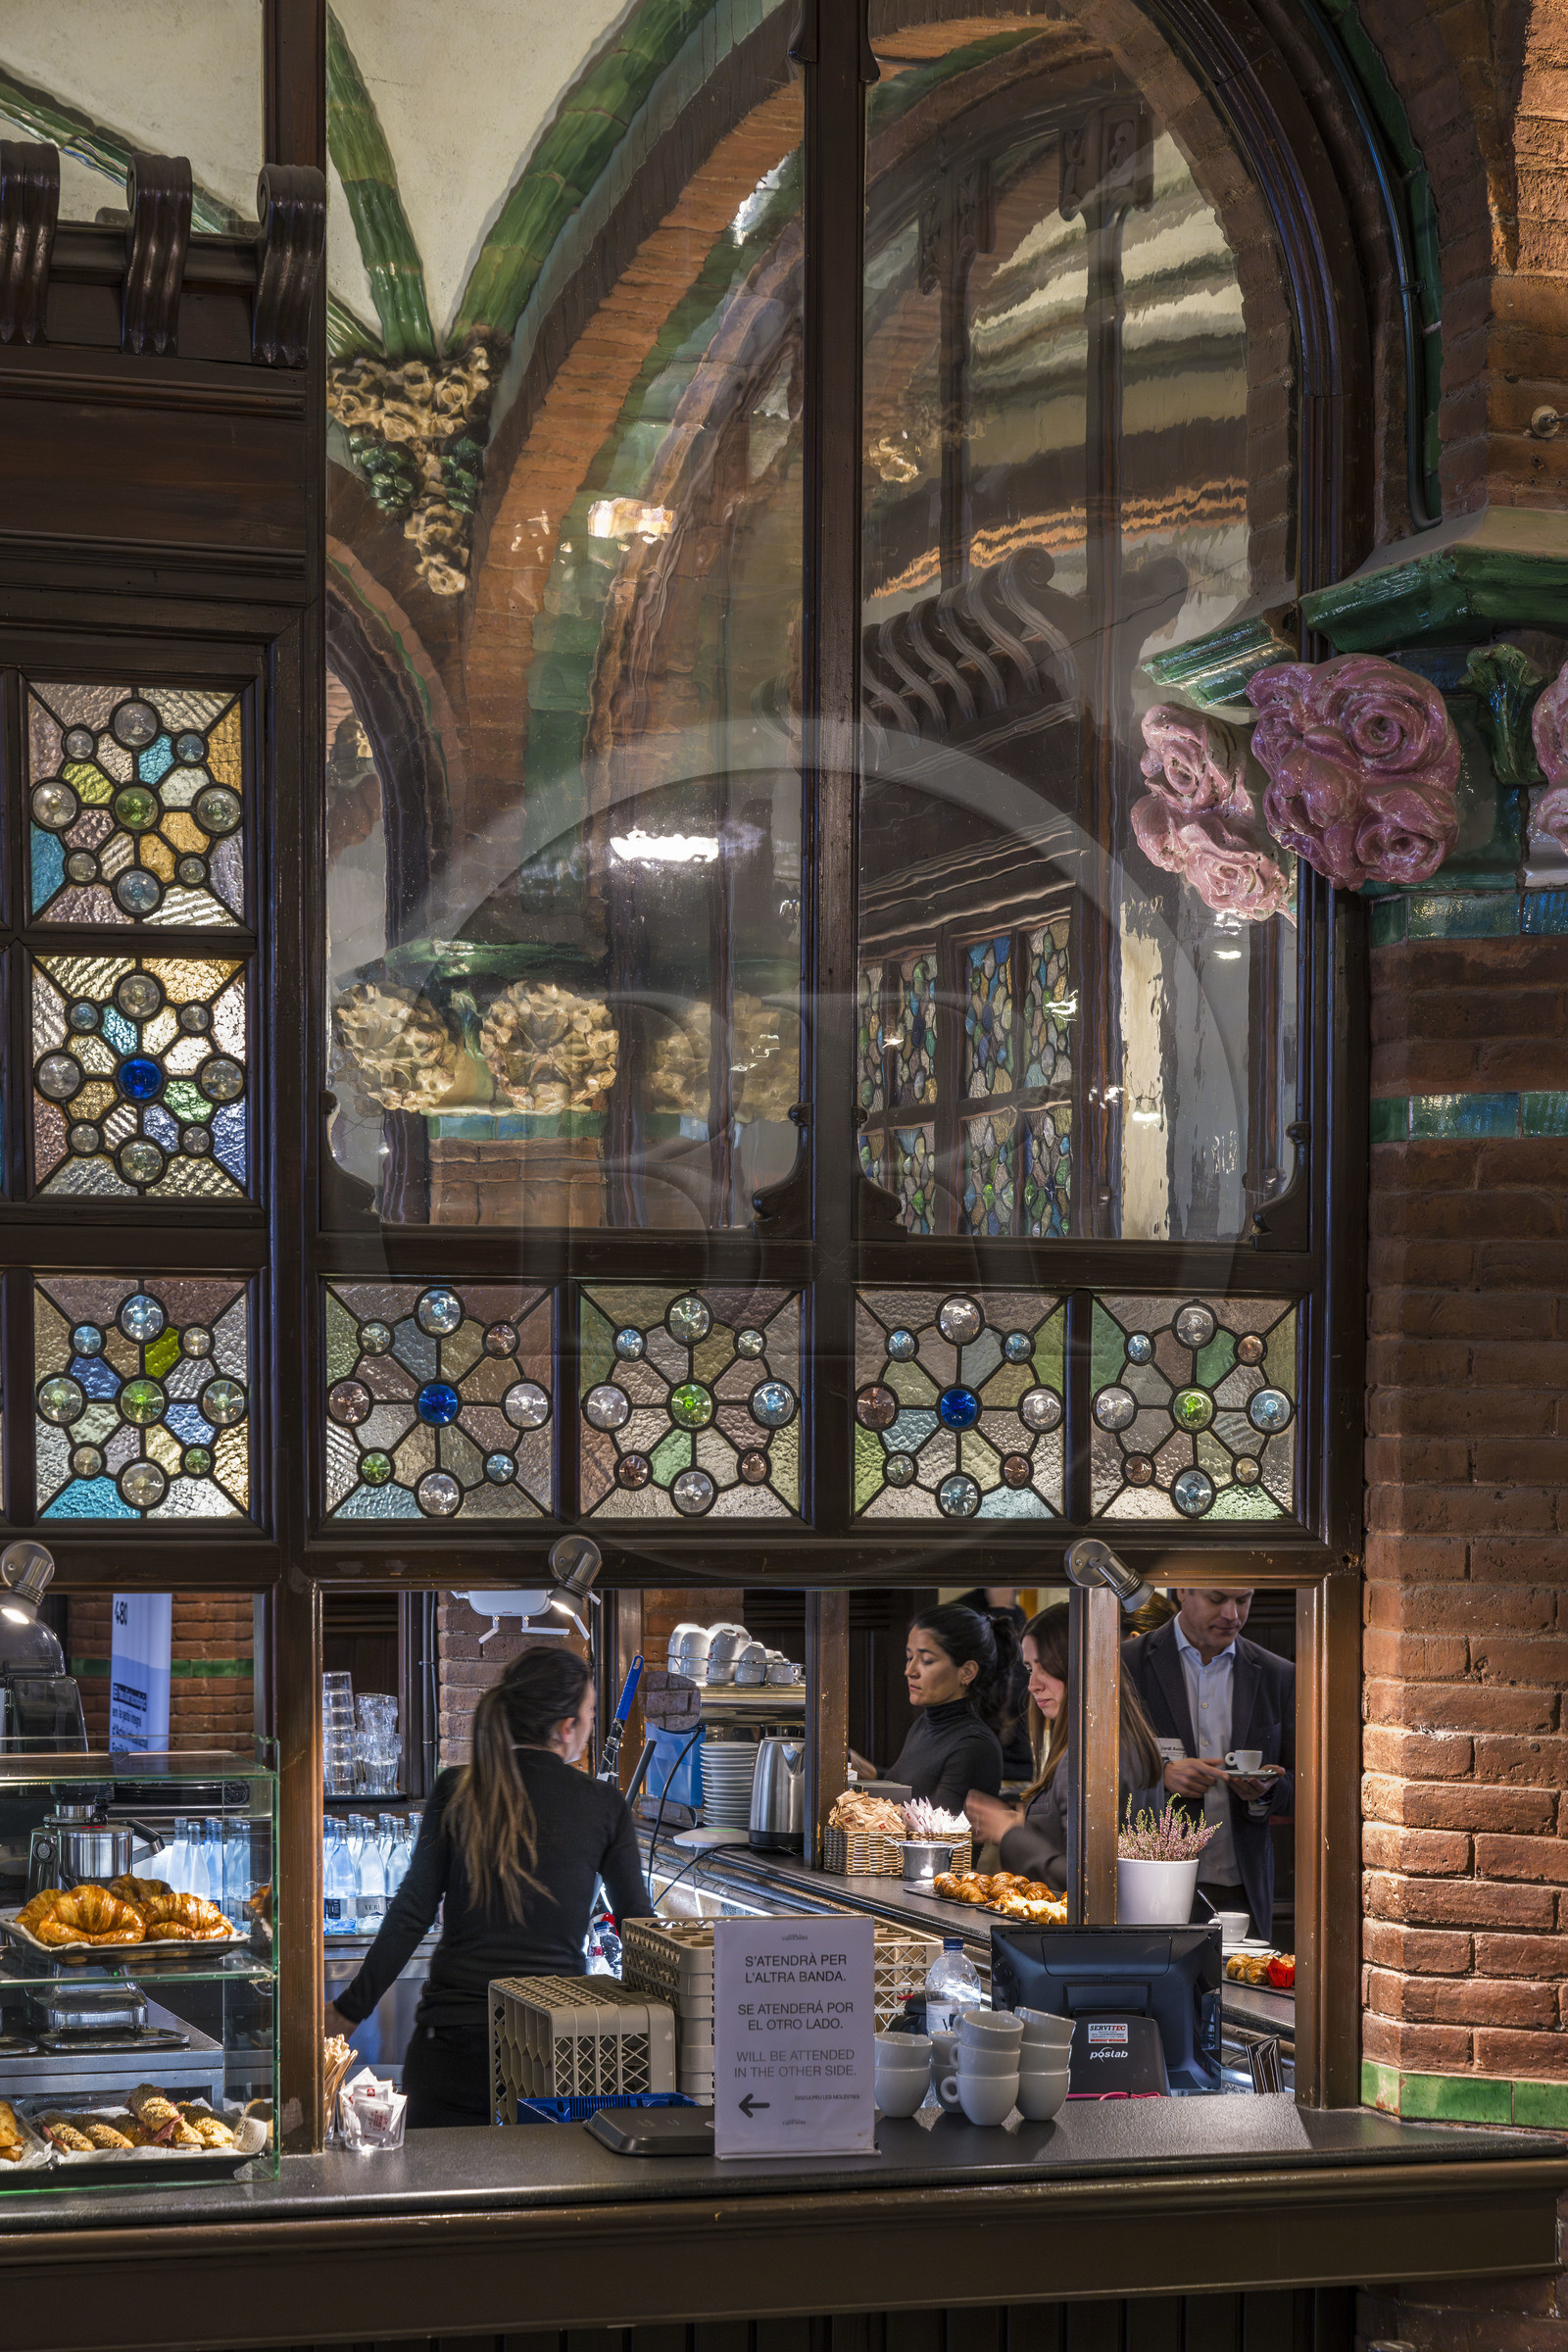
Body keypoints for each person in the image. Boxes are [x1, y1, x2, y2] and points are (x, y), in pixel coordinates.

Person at [325, 1646, 653, 2128]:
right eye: (588, 1715)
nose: (588, 1726)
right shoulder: (604, 1805)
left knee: (437, 2201)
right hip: (555, 2059)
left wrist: (348, 2012)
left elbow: (412, 1911)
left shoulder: (456, 1789)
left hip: (449, 2051)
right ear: (565, 1728)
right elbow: (641, 1932)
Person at [1122, 1587, 1295, 1942]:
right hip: (1149, 1883)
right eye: (1217, 1599)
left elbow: (1305, 1783)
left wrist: (1266, 1790)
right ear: (1183, 1590)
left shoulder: (1278, 1675)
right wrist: (1160, 1777)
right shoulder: (1126, 1663)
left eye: (1244, 1600)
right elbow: (1088, 1770)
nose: (1232, 1614)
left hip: (1240, 1887)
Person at [963, 1603, 1166, 1889]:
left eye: (1045, 1668)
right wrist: (1022, 1824)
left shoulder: (1092, 1754)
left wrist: (1009, 1832)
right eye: (1029, 1668)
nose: (1033, 1684)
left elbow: (1086, 1880)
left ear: (1080, 1665)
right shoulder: (1112, 1740)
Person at [848, 1604, 1012, 1808]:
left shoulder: (974, 1746)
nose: (910, 1670)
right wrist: (869, 1772)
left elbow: (934, 1833)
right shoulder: (924, 1723)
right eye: (909, 1657)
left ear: (967, 1672)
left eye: (926, 1660)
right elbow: (916, 1787)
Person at [955, 1587, 1033, 1778]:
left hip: (1014, 1758)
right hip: (985, 1755)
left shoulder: (1015, 1613)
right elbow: (1010, 1680)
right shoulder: (968, 1611)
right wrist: (1002, 1609)